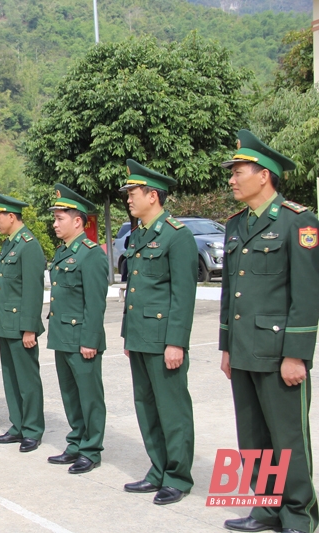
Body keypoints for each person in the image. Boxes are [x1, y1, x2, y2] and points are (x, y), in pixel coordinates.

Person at [218, 131, 319, 533]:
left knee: (289, 439)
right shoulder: (235, 225)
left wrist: (296, 353)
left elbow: (307, 295)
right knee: (253, 439)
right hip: (243, 350)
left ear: (264, 176)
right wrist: (225, 346)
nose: (231, 179)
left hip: (279, 353)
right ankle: (265, 509)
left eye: (238, 172)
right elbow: (230, 294)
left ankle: (300, 515)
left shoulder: (299, 221)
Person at [120, 160, 197, 505]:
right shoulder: (137, 235)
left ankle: (178, 476)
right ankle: (158, 469)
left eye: (133, 194)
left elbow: (183, 295)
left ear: (153, 196)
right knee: (146, 406)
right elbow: (134, 289)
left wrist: (176, 342)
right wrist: (127, 335)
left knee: (172, 409)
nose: (129, 200)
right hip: (139, 336)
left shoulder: (177, 236)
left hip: (164, 339)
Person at [45, 184, 108, 474]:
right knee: (70, 395)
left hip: (82, 337)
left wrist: (90, 340)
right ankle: (76, 441)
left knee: (89, 396)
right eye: (54, 219)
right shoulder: (63, 252)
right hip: (62, 335)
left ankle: (91, 449)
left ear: (77, 221)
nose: (54, 224)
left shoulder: (90, 254)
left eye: (60, 219)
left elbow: (95, 303)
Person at [0, 191, 46, 453]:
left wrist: (29, 328)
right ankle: (18, 425)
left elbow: (33, 291)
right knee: (11, 378)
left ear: (12, 216)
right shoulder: (10, 244)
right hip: (6, 323)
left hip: (22, 325)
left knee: (27, 379)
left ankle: (32, 429)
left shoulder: (28, 245)